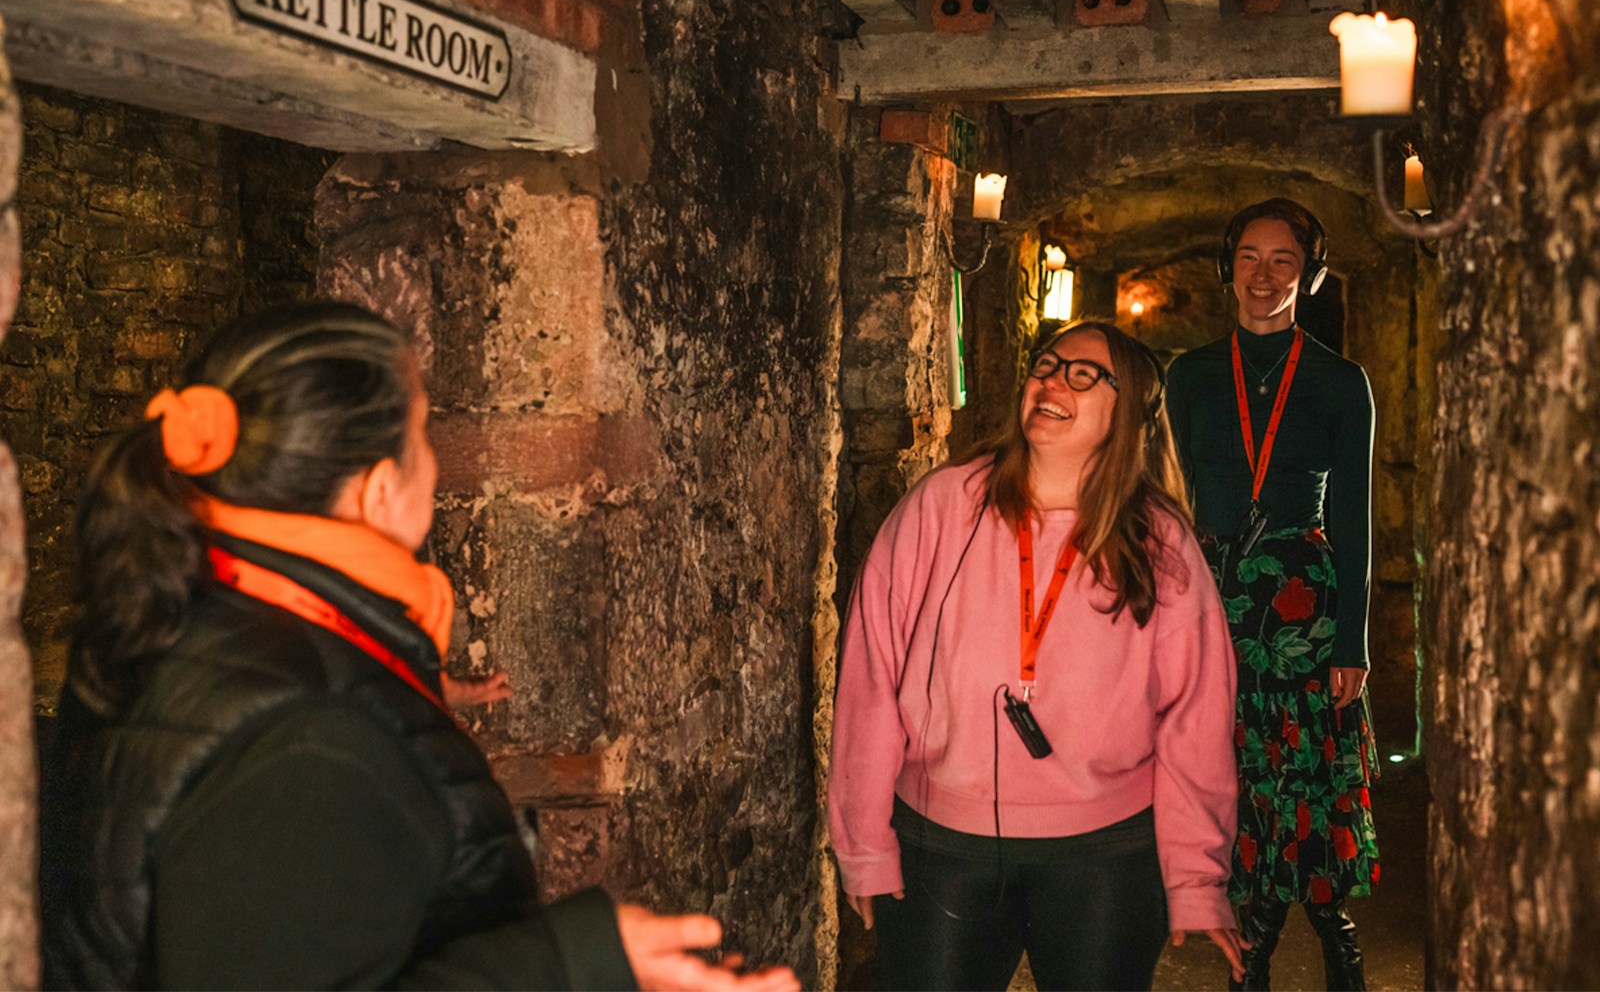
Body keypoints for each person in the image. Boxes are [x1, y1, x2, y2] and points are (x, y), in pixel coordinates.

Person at [39, 301, 798, 992]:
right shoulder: (313, 747)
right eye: (423, 430)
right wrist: (574, 962)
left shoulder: (189, 609)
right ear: (376, 491)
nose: (434, 461)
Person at [829, 319, 1244, 991]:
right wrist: (865, 844)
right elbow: (872, 673)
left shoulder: (1159, 541)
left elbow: (1196, 717)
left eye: (1084, 374)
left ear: (1130, 408)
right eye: (1045, 365)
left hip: (1105, 856)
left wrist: (1197, 877)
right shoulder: (943, 505)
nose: (1052, 380)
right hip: (944, 843)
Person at [1165, 198, 1381, 991]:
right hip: (1212, 599)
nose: (1264, 276)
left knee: (1310, 782)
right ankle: (1251, 951)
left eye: (1283, 260)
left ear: (1309, 275)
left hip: (1304, 608)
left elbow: (1357, 519)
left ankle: (1337, 944)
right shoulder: (1188, 375)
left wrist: (1354, 641)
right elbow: (1164, 500)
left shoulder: (1338, 380)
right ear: (1229, 269)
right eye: (1249, 258)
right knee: (1237, 777)